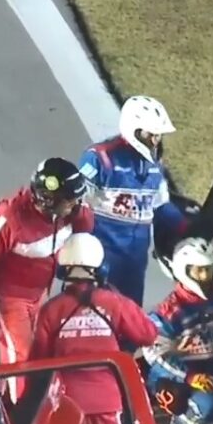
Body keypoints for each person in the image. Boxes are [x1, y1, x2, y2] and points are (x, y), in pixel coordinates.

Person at [0, 159, 94, 402]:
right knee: (22, 357)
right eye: (71, 200)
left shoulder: (66, 214)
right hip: (9, 299)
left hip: (39, 295)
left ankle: (4, 399)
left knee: (38, 353)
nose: (76, 205)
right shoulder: (11, 218)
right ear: (49, 200)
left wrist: (79, 213)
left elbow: (86, 227)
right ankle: (19, 414)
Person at [29, 233, 159, 424]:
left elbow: (38, 363)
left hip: (66, 404)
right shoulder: (114, 303)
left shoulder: (51, 310)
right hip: (106, 401)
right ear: (100, 267)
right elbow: (148, 334)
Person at [78, 95, 189, 305]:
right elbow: (76, 207)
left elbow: (161, 206)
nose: (155, 140)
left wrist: (189, 228)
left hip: (135, 264)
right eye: (151, 134)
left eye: (158, 135)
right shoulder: (100, 158)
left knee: (130, 320)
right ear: (134, 129)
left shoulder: (154, 166)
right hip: (100, 261)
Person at [143, 238, 213, 424]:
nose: (206, 276)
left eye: (209, 270)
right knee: (205, 406)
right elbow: (155, 355)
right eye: (199, 271)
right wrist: (189, 377)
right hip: (179, 374)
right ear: (183, 270)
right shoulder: (167, 311)